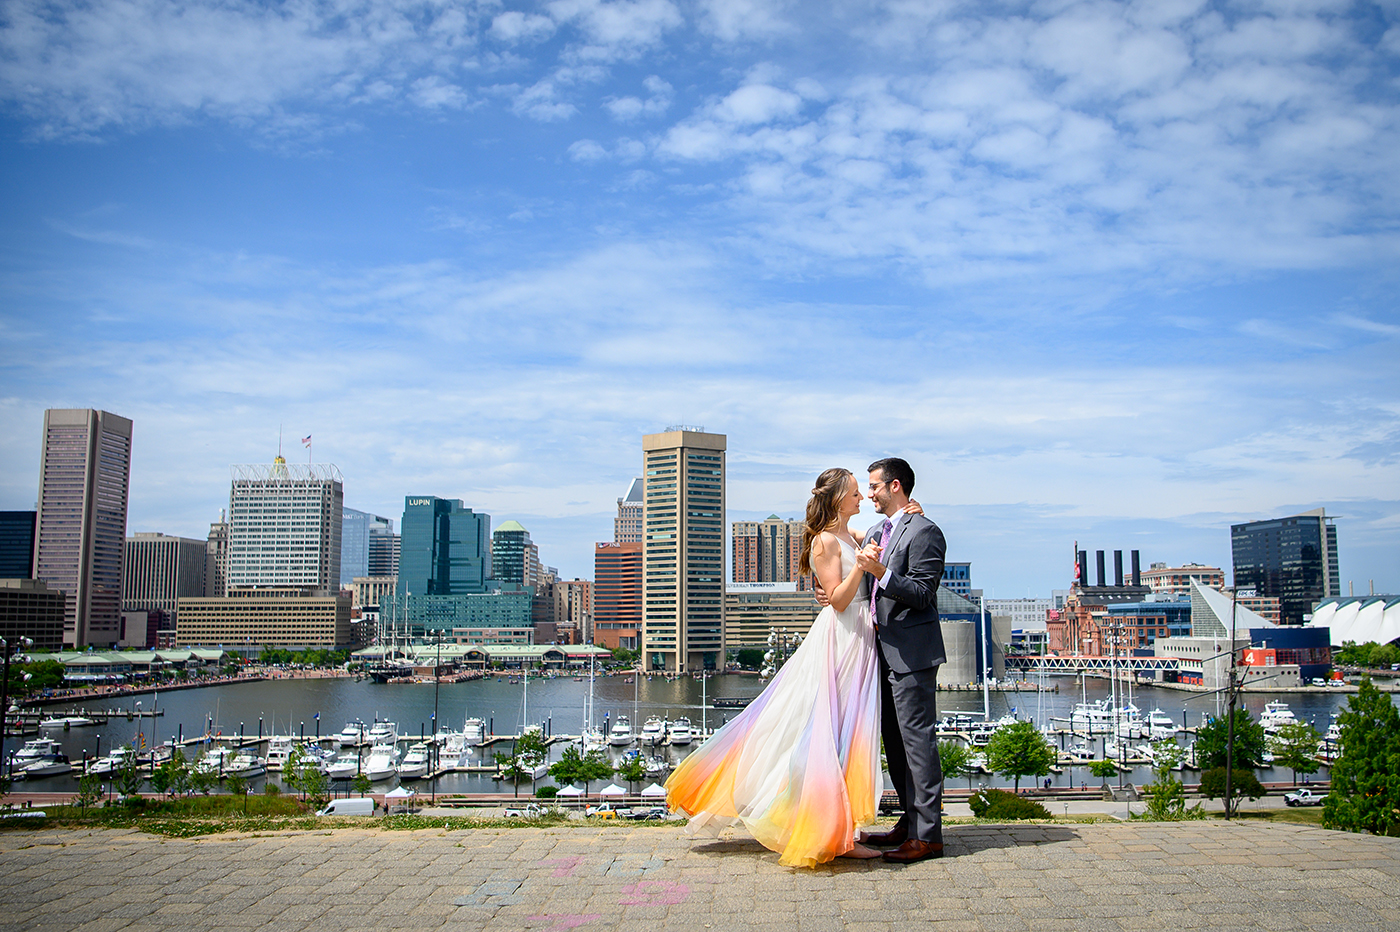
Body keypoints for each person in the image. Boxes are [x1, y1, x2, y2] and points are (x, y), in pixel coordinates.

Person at [665, 467, 888, 867]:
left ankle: (839, 824)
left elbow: (878, 541)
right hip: (842, 635)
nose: (861, 499)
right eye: (855, 493)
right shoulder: (824, 542)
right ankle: (834, 831)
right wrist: (861, 568)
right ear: (838, 499)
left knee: (848, 730)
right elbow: (836, 599)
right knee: (828, 729)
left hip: (860, 636)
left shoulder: (848, 535)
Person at [817, 457, 947, 863]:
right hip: (877, 654)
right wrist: (829, 591)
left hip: (911, 654)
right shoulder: (875, 530)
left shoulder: (925, 532)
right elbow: (838, 555)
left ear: (894, 487)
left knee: (918, 743)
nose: (868, 493)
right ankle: (910, 823)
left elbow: (924, 593)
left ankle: (929, 837)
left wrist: (881, 573)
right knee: (895, 744)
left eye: (873, 486)